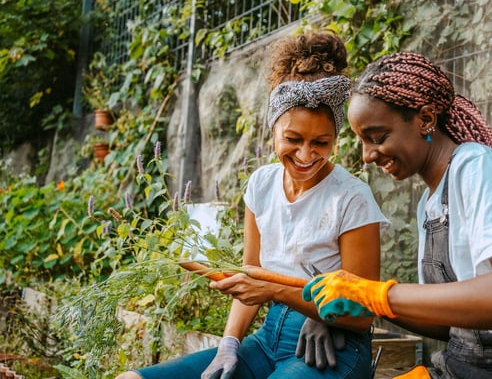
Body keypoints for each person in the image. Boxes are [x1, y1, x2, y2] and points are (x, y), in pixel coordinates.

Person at [116, 30, 389, 379]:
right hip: (266, 340)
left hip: (333, 348)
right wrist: (229, 343)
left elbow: (362, 312)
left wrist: (305, 303)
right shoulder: (261, 185)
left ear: (336, 137)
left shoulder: (351, 198)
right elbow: (251, 277)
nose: (306, 155)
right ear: (272, 129)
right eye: (293, 139)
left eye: (321, 142)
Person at [303, 52, 492, 378]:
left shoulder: (475, 166)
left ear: (424, 119)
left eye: (377, 138)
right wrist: (369, 300)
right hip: (462, 365)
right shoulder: (431, 201)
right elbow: (449, 323)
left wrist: (380, 294)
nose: (367, 156)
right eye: (363, 141)